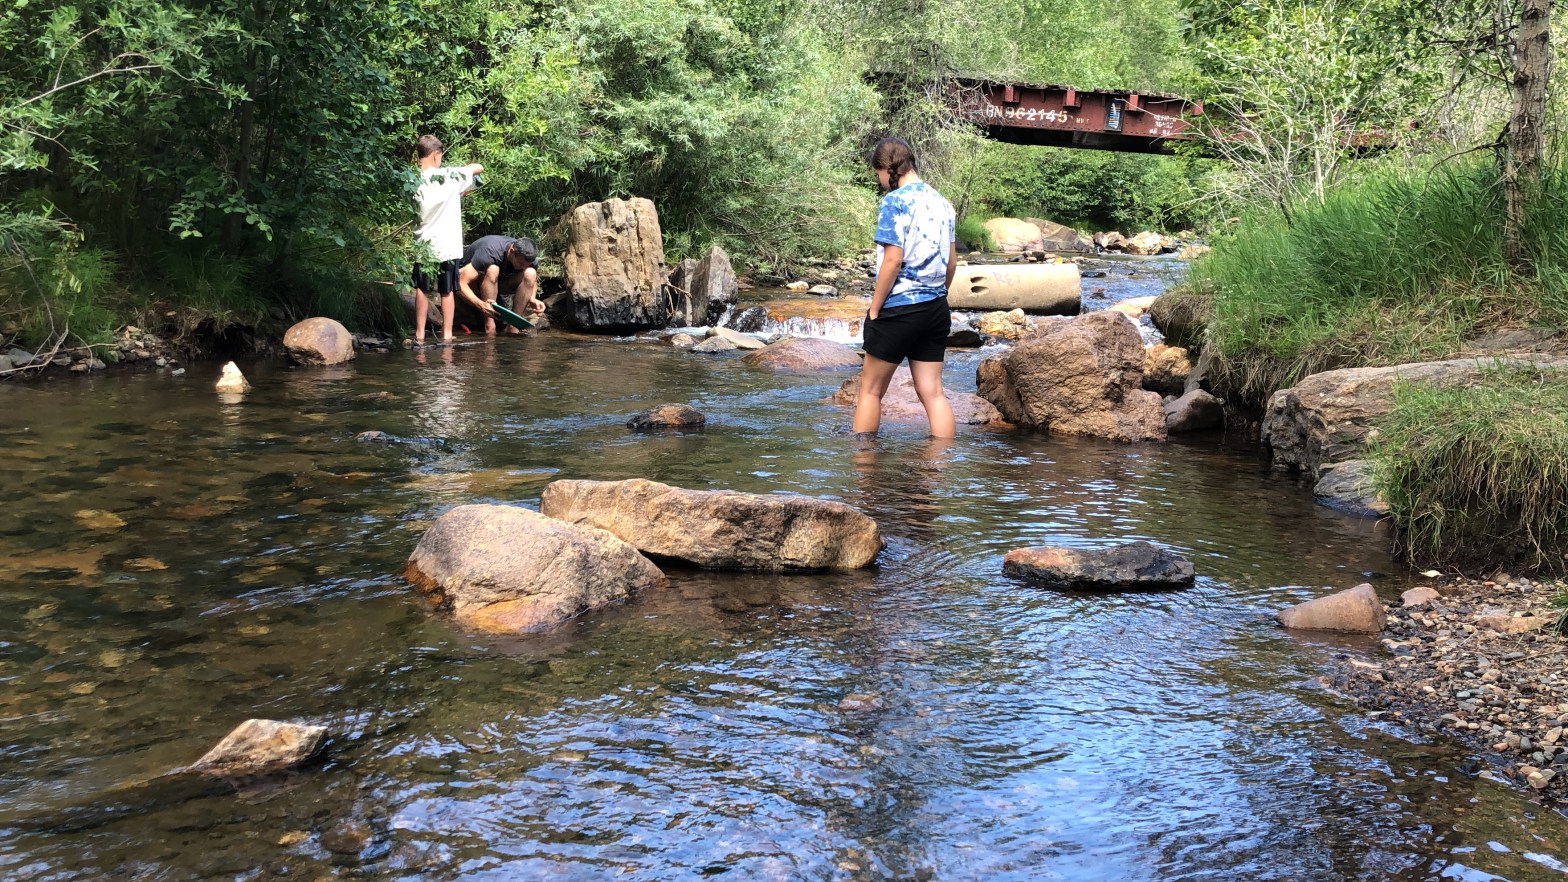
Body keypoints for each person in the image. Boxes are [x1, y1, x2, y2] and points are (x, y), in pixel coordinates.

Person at [854, 137, 957, 439]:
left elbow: (893, 261)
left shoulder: (894, 201)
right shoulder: (943, 202)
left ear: (886, 168)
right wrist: (939, 295)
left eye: (878, 174)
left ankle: (863, 463)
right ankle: (941, 461)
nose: (880, 181)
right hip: (936, 308)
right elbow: (951, 263)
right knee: (933, 393)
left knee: (870, 391)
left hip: (899, 308)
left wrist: (875, 309)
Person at [411, 134, 482, 344]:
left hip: (424, 245)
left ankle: (419, 334)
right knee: (447, 290)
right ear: (436, 154)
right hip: (447, 246)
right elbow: (478, 168)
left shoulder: (411, 180)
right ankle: (447, 334)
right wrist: (464, 170)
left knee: (422, 289)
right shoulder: (450, 176)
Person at [457, 234, 543, 334]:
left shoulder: (530, 259)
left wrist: (532, 298)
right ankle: (489, 324)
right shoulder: (489, 251)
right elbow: (460, 282)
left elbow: (533, 280)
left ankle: (513, 326)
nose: (523, 267)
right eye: (521, 264)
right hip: (470, 282)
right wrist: (481, 304)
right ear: (511, 251)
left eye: (526, 265)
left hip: (498, 283)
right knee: (493, 269)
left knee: (531, 273)